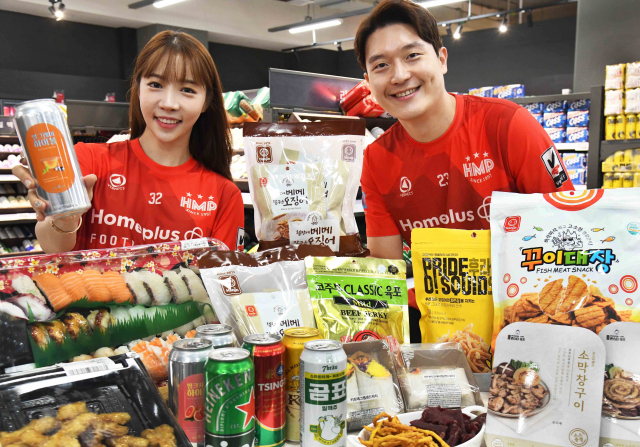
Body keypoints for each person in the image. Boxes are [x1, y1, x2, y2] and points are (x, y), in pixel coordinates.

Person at [353, 0, 574, 339]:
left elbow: (566, 234)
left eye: (412, 55)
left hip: (525, 320)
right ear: (369, 81)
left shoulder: (508, 125)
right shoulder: (377, 159)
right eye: (381, 65)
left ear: (441, 59)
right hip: (441, 329)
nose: (399, 75)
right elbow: (386, 272)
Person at [14, 31, 244, 253]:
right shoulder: (89, 160)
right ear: (138, 88)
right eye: (156, 85)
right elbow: (53, 247)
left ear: (206, 102)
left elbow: (225, 275)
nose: (169, 104)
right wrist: (64, 217)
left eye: (187, 89)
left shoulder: (224, 195)